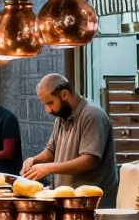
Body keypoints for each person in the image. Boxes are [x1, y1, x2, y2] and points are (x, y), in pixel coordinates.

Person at [22, 74, 117, 207]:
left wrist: (48, 168)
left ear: (64, 94)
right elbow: (51, 151)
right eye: (44, 104)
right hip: (67, 202)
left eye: (50, 103)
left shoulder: (92, 116)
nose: (48, 110)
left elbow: (88, 161)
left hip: (92, 205)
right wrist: (33, 160)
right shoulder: (61, 118)